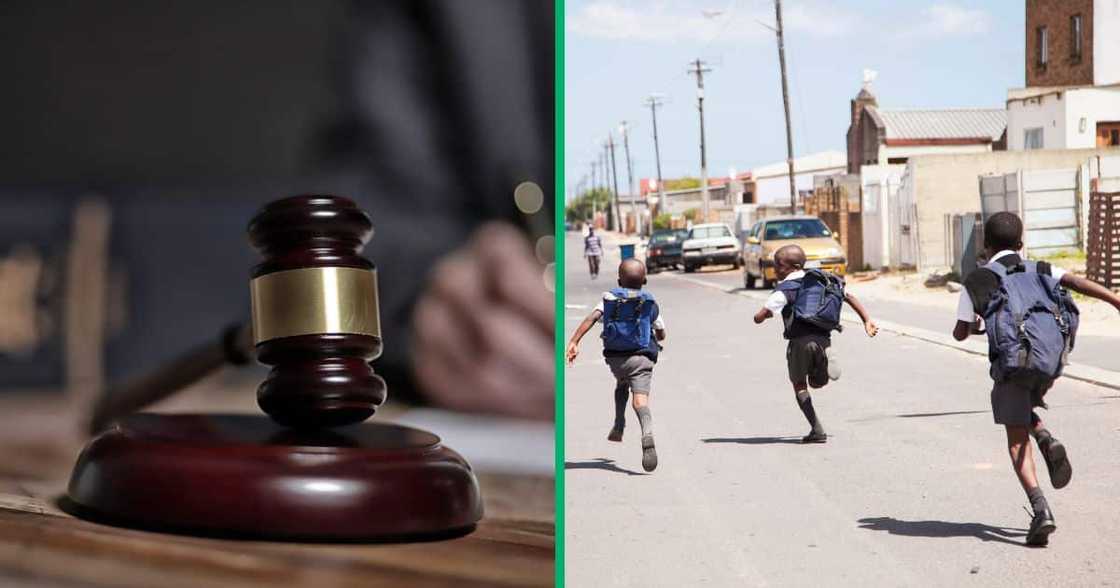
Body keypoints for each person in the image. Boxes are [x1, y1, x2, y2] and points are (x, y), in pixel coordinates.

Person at [952, 211, 1120, 546]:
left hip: (1014, 363)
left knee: (1016, 437)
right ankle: (1042, 433)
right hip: (1050, 360)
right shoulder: (1041, 268)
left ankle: (1040, 508)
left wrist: (976, 323)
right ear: (1021, 243)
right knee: (1024, 399)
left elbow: (959, 332)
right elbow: (1077, 283)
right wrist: (1116, 300)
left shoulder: (978, 279)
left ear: (985, 247)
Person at [753, 244, 878, 443]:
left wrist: (760, 317)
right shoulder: (821, 280)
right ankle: (827, 356)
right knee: (817, 383)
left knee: (800, 385)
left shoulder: (785, 288)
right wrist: (867, 320)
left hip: (799, 342)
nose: (775, 268)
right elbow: (848, 296)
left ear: (793, 266)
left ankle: (817, 430)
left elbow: (761, 314)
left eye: (779, 265)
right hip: (823, 338)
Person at [566, 258, 665, 472]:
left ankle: (619, 424)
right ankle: (646, 432)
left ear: (619, 280)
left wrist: (574, 341)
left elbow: (591, 318)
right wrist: (658, 334)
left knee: (622, 382)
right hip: (642, 358)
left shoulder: (610, 299)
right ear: (645, 280)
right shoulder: (649, 302)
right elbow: (661, 331)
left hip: (616, 358)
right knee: (640, 401)